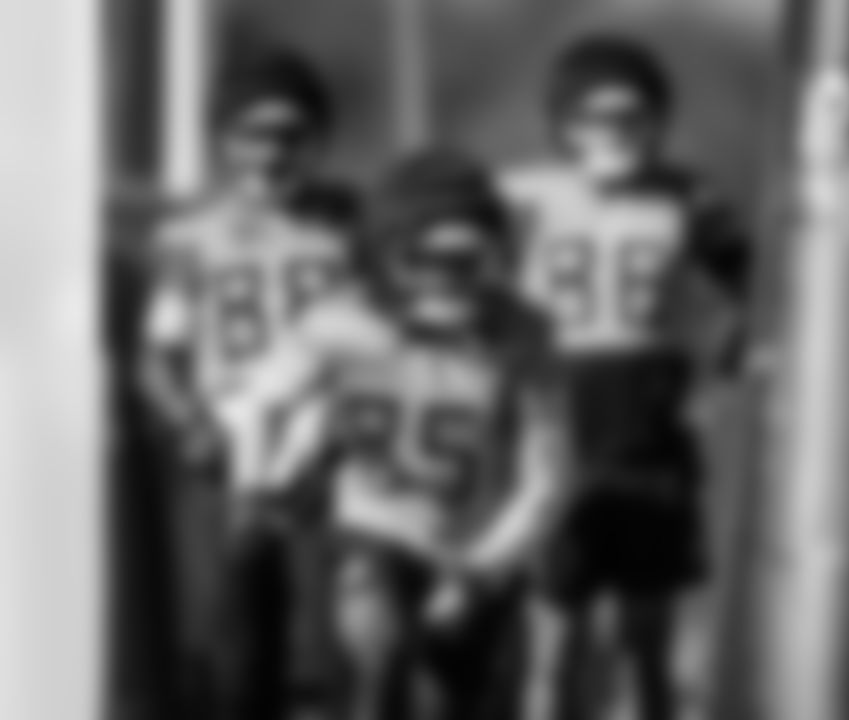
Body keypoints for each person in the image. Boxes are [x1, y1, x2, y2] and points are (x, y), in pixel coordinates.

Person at [237, 148, 574, 720]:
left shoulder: (522, 335)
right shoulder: (339, 324)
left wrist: (481, 570)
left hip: (477, 543)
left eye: (465, 259)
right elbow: (258, 402)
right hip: (370, 531)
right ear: (384, 257)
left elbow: (550, 476)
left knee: (462, 699)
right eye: (426, 259)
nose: (447, 278)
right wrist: (263, 480)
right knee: (379, 661)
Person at [501, 34, 751, 720]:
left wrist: (726, 373)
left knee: (649, 639)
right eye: (596, 119)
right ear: (564, 125)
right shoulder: (519, 197)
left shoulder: (690, 200)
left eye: (630, 116)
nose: (615, 132)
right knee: (553, 637)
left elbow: (757, 296)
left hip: (649, 427)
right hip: (556, 420)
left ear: (657, 120)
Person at [136, 50, 355, 720]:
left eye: (289, 136)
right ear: (222, 142)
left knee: (322, 649)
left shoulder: (351, 231)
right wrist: (188, 425)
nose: (269, 153)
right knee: (226, 650)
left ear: (316, 140)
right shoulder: (188, 239)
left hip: (324, 451)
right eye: (251, 135)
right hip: (225, 451)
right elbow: (157, 357)